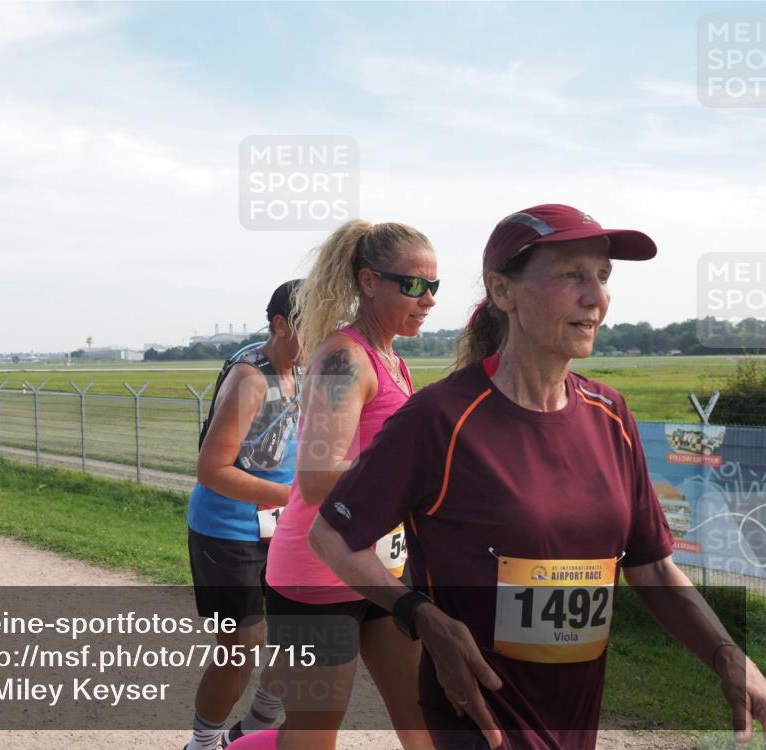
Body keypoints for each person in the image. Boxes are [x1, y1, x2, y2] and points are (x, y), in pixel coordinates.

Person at [308, 204, 766, 750]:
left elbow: (653, 569)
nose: (595, 296)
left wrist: (726, 656)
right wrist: (421, 615)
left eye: (602, 276)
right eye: (571, 274)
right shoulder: (441, 419)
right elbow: (330, 534)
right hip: (479, 725)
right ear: (504, 292)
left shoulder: (611, 413)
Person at [230, 221, 439, 750]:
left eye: (435, 286)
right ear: (369, 282)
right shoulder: (341, 358)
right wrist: (418, 478)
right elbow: (319, 478)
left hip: (377, 567)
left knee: (424, 724)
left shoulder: (393, 358)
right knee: (312, 737)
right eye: (413, 285)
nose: (428, 299)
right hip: (314, 575)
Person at [185, 280, 303, 750]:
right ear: (279, 324)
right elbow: (212, 470)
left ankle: (257, 723)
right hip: (228, 530)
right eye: (311, 327)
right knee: (241, 648)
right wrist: (294, 496)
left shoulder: (305, 366)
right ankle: (203, 742)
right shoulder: (252, 378)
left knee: (300, 633)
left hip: (284, 524)